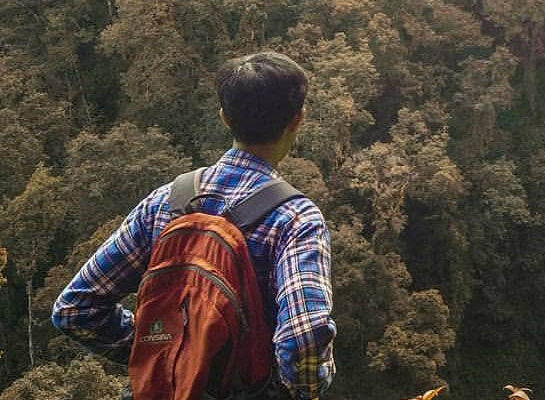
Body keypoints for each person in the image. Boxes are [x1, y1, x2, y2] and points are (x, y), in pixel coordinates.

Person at [52, 51, 336, 399]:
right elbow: (303, 337)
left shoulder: (165, 202)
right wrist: (303, 390)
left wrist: (169, 352)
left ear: (224, 117)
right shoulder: (296, 219)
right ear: (297, 119)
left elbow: (75, 309)